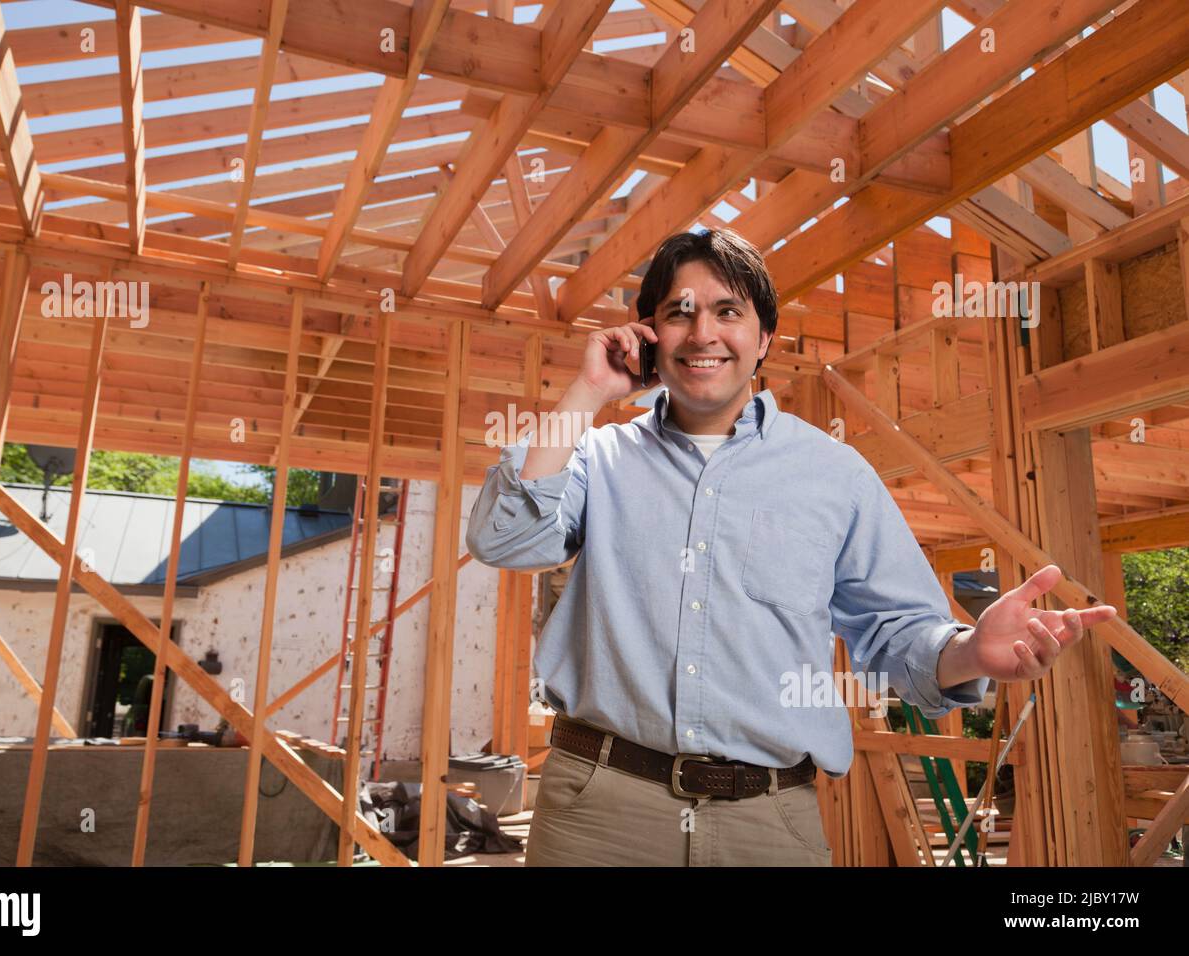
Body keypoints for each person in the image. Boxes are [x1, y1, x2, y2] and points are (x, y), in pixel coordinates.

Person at [465, 228, 1116, 867]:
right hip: (600, 816)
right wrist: (588, 392)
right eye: (678, 313)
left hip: (767, 822)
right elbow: (504, 536)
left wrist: (971, 649)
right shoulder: (598, 457)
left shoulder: (835, 474)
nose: (703, 334)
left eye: (728, 312)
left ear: (764, 338)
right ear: (647, 337)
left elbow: (896, 636)